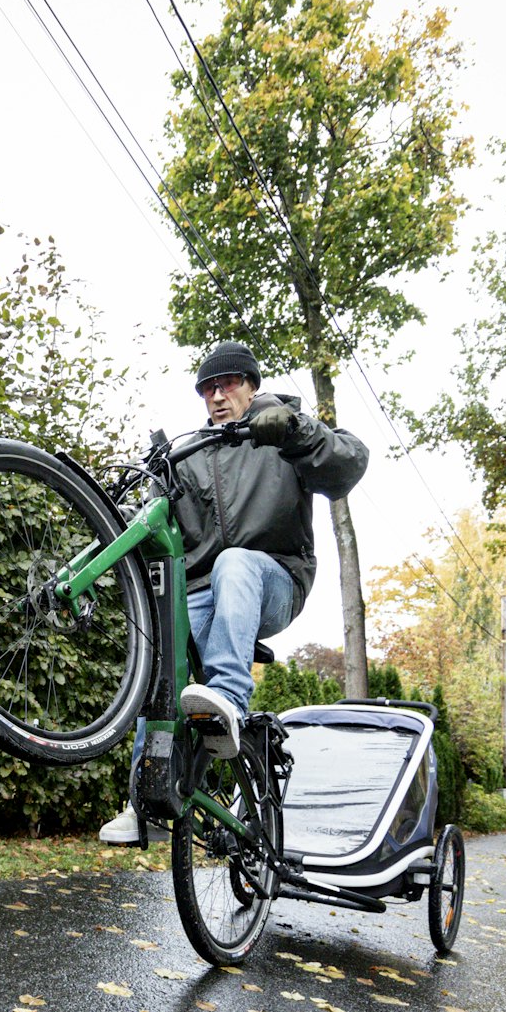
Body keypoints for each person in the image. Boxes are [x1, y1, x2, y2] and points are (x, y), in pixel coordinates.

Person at [99, 341, 369, 843]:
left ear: (252, 386)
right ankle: (146, 800)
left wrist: (294, 431)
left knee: (234, 562)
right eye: (208, 389)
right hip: (203, 591)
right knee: (162, 659)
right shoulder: (191, 456)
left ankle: (229, 696)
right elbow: (158, 530)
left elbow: (348, 464)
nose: (217, 396)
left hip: (274, 579)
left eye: (228, 384)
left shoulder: (283, 428)